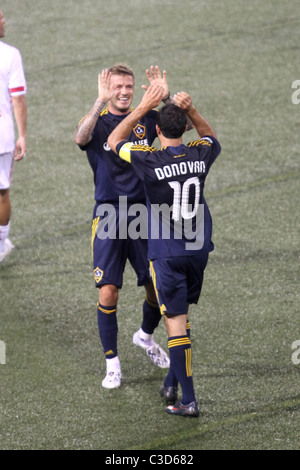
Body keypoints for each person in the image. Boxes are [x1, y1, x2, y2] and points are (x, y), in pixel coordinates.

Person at [108, 83, 221, 417]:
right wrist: (192, 109)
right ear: (186, 127)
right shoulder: (201, 153)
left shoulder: (149, 159)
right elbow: (211, 135)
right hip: (198, 248)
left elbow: (114, 141)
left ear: (157, 130)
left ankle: (188, 400)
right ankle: (171, 385)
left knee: (174, 321)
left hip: (167, 253)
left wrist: (143, 106)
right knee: (181, 316)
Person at [74, 65, 172, 389]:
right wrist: (97, 102)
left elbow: (174, 123)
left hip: (144, 213)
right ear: (108, 88)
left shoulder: (148, 118)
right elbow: (80, 137)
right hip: (108, 215)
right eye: (117, 86)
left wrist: (165, 95)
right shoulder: (99, 122)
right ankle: (112, 363)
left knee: (157, 290)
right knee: (108, 290)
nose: (124, 92)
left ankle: (144, 337)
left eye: (129, 86)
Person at [0, 10, 27, 263]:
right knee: (1, 192)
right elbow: (17, 98)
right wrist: (23, 135)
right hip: (2, 137)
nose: (3, 21)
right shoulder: (9, 54)